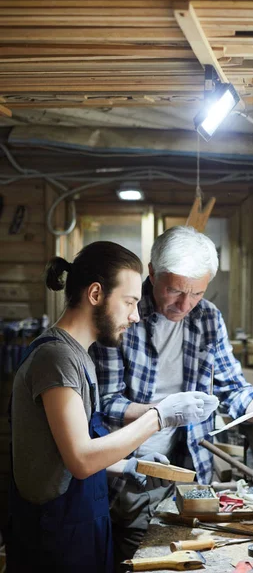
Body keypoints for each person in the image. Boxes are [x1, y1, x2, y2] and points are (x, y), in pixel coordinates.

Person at [6, 240, 218, 573]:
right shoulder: (56, 358)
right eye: (130, 302)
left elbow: (64, 449)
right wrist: (159, 416)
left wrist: (129, 466)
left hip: (82, 523)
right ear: (95, 294)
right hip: (53, 534)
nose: (135, 316)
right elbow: (80, 459)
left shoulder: (79, 357)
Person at [90, 227, 253, 566]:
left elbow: (231, 389)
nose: (185, 305)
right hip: (128, 473)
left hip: (190, 471)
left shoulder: (208, 317)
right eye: (175, 291)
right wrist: (163, 412)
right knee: (136, 558)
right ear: (152, 273)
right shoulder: (122, 313)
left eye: (196, 292)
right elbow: (107, 404)